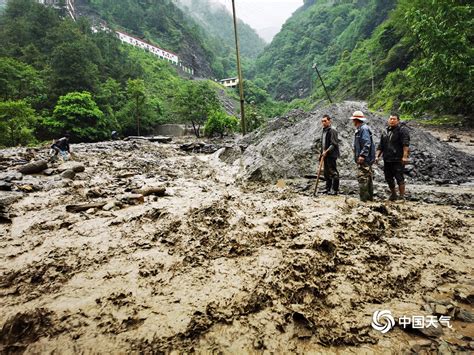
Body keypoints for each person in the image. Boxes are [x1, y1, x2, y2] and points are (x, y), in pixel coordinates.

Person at [375, 113, 410, 201]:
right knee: (388, 178)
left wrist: (405, 156)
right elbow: (380, 145)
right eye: (390, 119)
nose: (392, 120)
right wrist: (377, 156)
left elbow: (405, 144)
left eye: (394, 119)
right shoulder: (386, 131)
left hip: (398, 159)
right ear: (388, 120)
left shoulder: (402, 130)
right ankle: (393, 194)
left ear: (398, 120)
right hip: (387, 159)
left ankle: (402, 196)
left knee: (399, 177)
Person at [350, 110, 375, 202]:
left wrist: (362, 155)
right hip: (365, 158)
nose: (353, 122)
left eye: (353, 120)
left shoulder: (363, 129)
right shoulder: (360, 129)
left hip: (365, 159)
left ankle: (363, 199)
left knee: (362, 177)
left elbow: (367, 143)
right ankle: (369, 198)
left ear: (356, 120)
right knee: (368, 177)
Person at [319, 114, 340, 195]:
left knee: (333, 172)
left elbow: (333, 144)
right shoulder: (324, 131)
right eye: (322, 121)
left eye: (325, 121)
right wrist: (321, 153)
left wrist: (326, 151)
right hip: (325, 155)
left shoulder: (332, 130)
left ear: (329, 121)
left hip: (331, 155)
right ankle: (327, 189)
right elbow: (323, 144)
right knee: (326, 173)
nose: (323, 123)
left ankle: (335, 190)